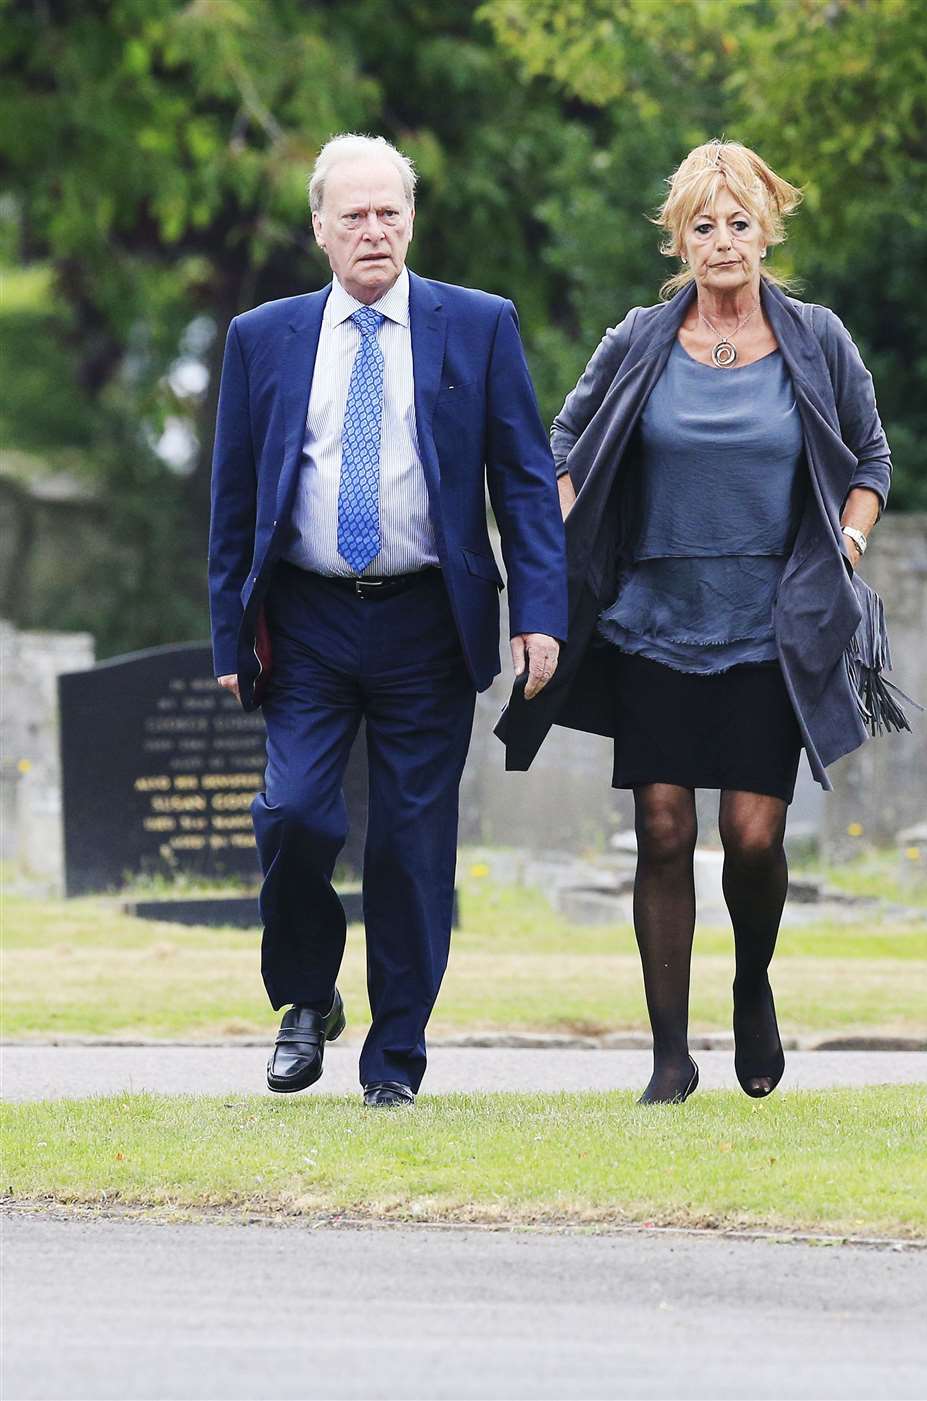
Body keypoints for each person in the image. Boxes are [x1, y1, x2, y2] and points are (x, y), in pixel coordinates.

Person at [497, 141, 892, 1103]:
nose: (724, 242)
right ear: (682, 238)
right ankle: (670, 1056)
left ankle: (751, 983)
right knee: (664, 828)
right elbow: (567, 445)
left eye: (741, 223)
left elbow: (869, 460)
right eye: (704, 225)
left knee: (754, 837)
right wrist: (553, 535)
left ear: (767, 231)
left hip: (770, 624)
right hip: (653, 620)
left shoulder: (817, 338)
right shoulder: (638, 338)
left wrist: (846, 539)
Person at [209, 133, 565, 1107]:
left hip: (427, 623)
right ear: (319, 228)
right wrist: (225, 637)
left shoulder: (479, 326)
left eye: (390, 213)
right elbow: (233, 502)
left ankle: (393, 1063)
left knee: (411, 850)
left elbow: (527, 483)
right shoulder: (261, 339)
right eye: (354, 215)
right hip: (308, 620)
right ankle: (304, 996)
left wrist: (541, 613)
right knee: (292, 814)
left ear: (412, 220)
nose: (374, 230)